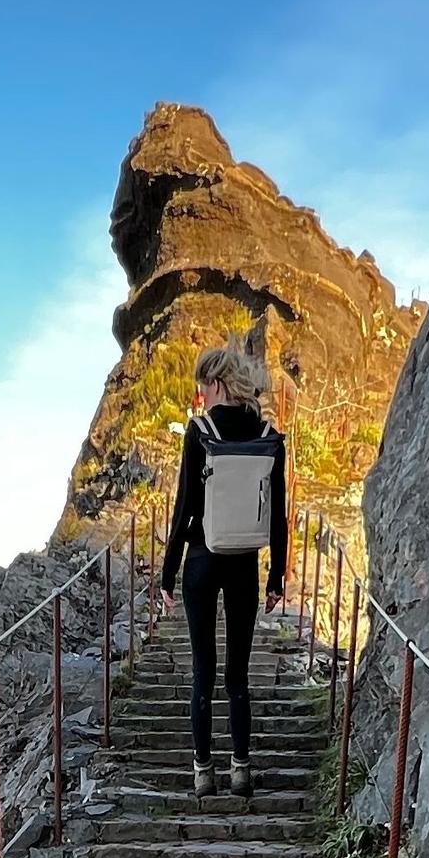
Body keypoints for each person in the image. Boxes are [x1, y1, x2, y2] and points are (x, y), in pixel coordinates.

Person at [157, 335, 287, 799]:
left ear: (215, 383)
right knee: (237, 675)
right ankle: (241, 770)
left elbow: (185, 506)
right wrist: (277, 577)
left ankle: (202, 772)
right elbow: (278, 513)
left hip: (201, 560)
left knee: (203, 671)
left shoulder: (200, 433)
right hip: (245, 565)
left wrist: (167, 574)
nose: (200, 396)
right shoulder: (269, 437)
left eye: (202, 387)